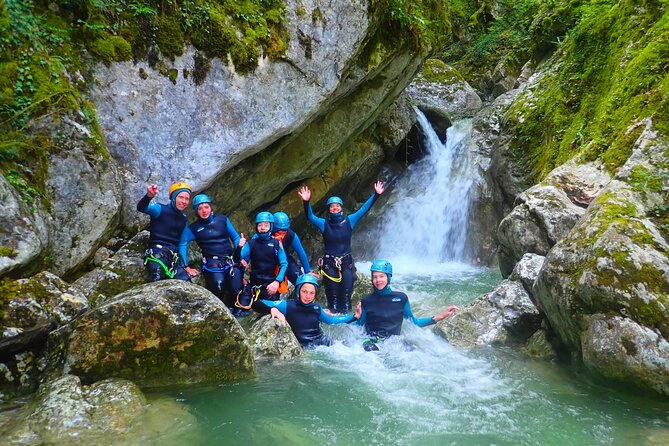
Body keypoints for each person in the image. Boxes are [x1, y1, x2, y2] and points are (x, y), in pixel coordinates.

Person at [298, 181, 385, 313]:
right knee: (332, 293)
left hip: (346, 262)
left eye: (337, 206)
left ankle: (346, 315)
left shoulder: (349, 221)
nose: (335, 208)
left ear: (341, 208)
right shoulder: (324, 224)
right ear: (329, 210)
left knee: (346, 291)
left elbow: (363, 209)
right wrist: (306, 202)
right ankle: (332, 314)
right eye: (332, 207)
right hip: (330, 263)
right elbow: (310, 216)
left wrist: (376, 195)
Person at [355, 260, 458, 351]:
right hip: (371, 341)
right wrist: (351, 317)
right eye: (375, 277)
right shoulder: (366, 300)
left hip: (394, 342)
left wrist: (441, 316)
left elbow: (414, 322)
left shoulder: (401, 299)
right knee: (371, 350)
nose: (378, 280)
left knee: (414, 350)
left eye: (382, 276)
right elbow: (357, 327)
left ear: (389, 277)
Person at [178, 194, 246, 313]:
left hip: (230, 260)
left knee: (236, 288)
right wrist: (186, 267)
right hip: (212, 264)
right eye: (200, 208)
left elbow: (235, 238)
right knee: (218, 286)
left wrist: (240, 257)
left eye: (206, 207)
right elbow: (182, 244)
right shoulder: (194, 228)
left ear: (211, 207)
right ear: (196, 211)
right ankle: (220, 312)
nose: (204, 211)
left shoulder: (222, 220)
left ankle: (237, 308)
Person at [264, 274, 355, 348]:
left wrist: (354, 316)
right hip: (306, 347)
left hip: (323, 344)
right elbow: (257, 303)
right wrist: (272, 309)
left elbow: (331, 321)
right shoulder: (287, 305)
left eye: (312, 293)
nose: (308, 296)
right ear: (298, 291)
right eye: (304, 292)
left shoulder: (316, 308)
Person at [137, 182, 192, 282]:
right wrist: (148, 196)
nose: (184, 201)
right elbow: (141, 208)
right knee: (156, 276)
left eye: (187, 199)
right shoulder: (160, 209)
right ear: (173, 197)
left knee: (187, 284)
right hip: (158, 253)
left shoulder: (184, 219)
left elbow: (182, 243)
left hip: (173, 258)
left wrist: (186, 266)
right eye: (181, 197)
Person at [235, 211, 288, 312]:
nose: (262, 227)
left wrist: (277, 282)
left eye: (266, 225)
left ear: (271, 227)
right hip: (254, 284)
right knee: (241, 308)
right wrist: (239, 247)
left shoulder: (276, 244)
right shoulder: (251, 243)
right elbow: (236, 259)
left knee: (271, 309)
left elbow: (284, 264)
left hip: (270, 285)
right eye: (260, 225)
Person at [272, 211, 312, 286]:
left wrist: (307, 271)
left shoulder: (290, 234)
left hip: (286, 260)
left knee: (301, 282)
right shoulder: (265, 234)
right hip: (270, 262)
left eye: (284, 231)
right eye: (279, 232)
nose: (282, 234)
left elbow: (300, 252)